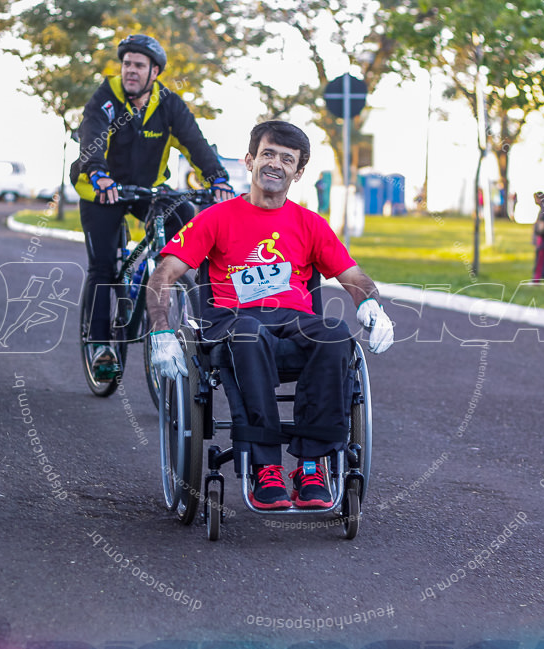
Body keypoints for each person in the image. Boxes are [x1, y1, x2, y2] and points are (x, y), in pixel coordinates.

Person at [146, 120, 395, 510]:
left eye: (287, 159)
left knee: (335, 334)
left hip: (294, 321)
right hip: (233, 322)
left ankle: (312, 465)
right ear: (249, 160)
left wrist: (370, 305)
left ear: (298, 171)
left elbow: (354, 275)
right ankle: (265, 466)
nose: (275, 164)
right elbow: (165, 274)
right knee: (248, 333)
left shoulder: (309, 224)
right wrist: (160, 331)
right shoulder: (216, 217)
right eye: (268, 154)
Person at [72, 34, 234, 380]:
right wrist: (99, 175)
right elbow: (92, 138)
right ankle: (101, 344)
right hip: (100, 190)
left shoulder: (169, 105)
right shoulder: (105, 99)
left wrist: (217, 178)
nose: (130, 70)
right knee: (103, 267)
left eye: (138, 65)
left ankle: (182, 296)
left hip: (146, 189)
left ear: (154, 71)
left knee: (185, 218)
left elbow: (196, 143)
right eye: (127, 63)